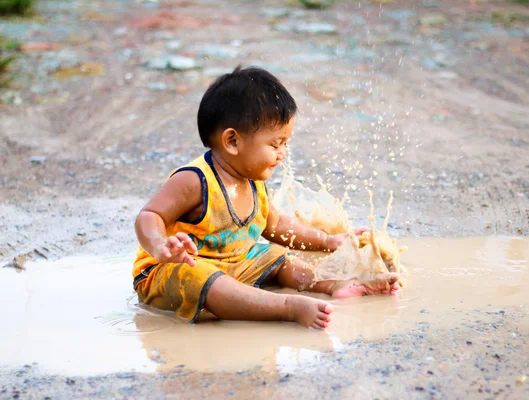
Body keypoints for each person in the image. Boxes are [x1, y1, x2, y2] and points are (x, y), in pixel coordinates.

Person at [132, 65, 400, 330]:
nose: (282, 153)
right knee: (199, 276)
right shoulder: (195, 181)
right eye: (275, 144)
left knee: (276, 256)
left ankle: (334, 285)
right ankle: (285, 307)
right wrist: (160, 245)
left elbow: (277, 227)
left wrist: (330, 241)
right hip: (173, 272)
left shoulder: (252, 179)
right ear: (233, 142)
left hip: (236, 266)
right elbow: (150, 215)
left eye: (285, 144)